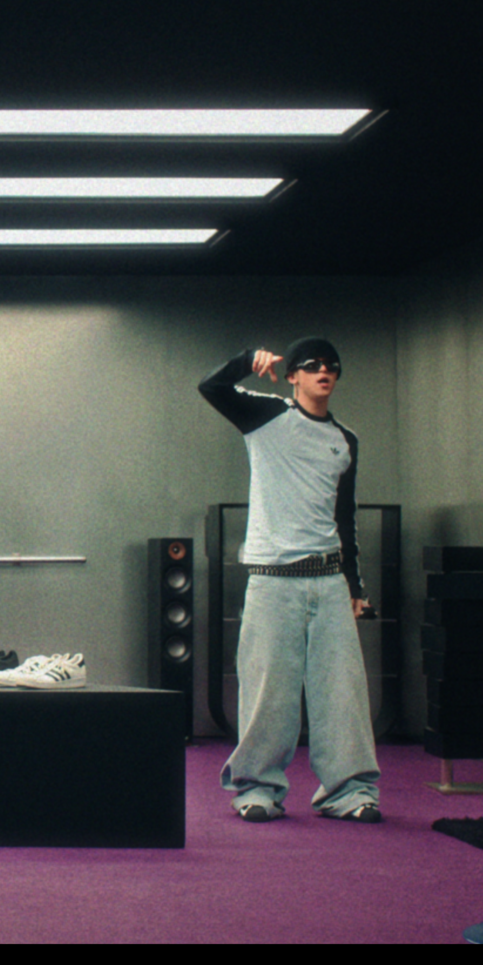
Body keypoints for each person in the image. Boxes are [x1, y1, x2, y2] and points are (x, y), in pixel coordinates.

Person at [199, 337, 382, 823]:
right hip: (273, 579)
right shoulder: (266, 415)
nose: (324, 371)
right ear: (293, 376)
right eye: (312, 365)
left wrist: (356, 588)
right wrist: (245, 361)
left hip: (328, 580)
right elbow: (211, 388)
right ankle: (257, 788)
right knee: (268, 692)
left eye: (332, 366)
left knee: (342, 691)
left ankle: (349, 791)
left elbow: (345, 518)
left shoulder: (345, 439)